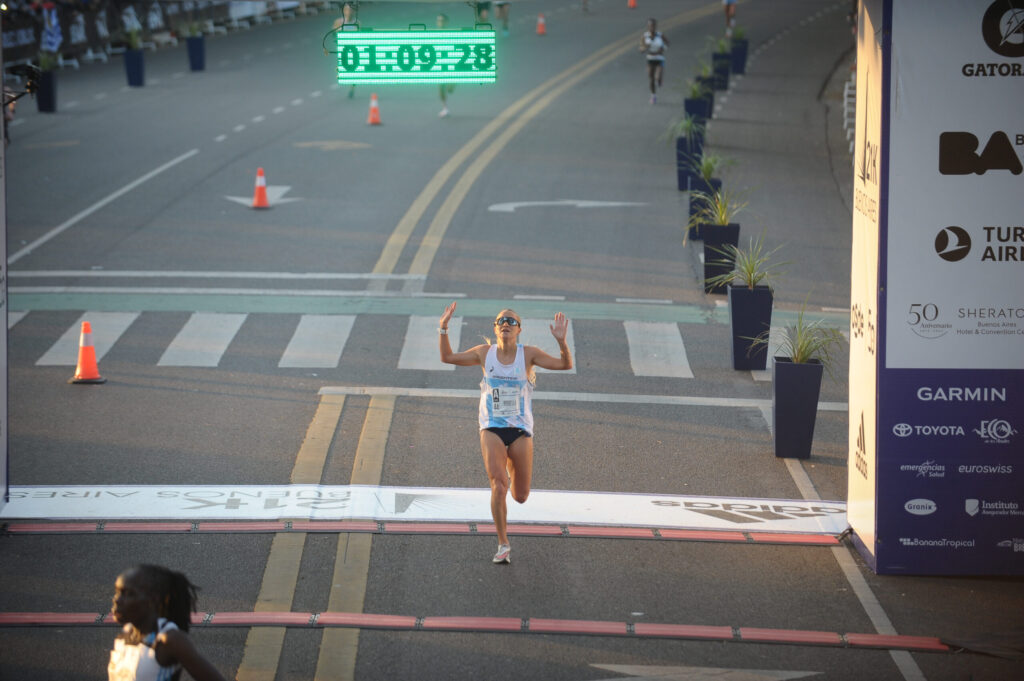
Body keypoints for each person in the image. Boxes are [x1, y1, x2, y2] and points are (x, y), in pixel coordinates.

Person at [438, 302, 573, 564]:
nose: (506, 324)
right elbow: (448, 358)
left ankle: (510, 465)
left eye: (511, 321)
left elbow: (565, 365)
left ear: (519, 329)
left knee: (520, 496)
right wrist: (443, 328)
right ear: (495, 328)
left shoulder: (529, 354)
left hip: (520, 430)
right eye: (501, 321)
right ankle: (503, 543)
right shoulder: (483, 353)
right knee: (498, 485)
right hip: (492, 427)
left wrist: (562, 342)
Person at [108, 564, 227, 681]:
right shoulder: (124, 635)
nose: (117, 600)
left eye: (129, 594)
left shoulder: (169, 640)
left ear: (153, 599)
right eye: (117, 592)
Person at [640, 18, 668, 104]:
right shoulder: (645, 36)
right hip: (650, 58)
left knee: (657, 77)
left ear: (655, 26)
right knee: (651, 78)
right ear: (648, 27)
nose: (651, 27)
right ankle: (653, 95)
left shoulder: (660, 35)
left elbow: (667, 44)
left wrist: (663, 48)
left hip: (659, 58)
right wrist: (645, 47)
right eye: (650, 26)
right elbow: (641, 49)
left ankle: (659, 80)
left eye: (653, 26)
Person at [334, 2, 358, 98]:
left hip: (354, 49)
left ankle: (352, 88)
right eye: (347, 10)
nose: (349, 12)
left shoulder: (357, 22)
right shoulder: (338, 22)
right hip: (343, 49)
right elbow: (334, 32)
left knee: (353, 69)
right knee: (345, 68)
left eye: (350, 10)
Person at [437, 13, 455, 117]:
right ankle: (445, 108)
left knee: (450, 89)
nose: (440, 23)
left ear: (446, 22)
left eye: (442, 21)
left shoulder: (451, 34)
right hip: (439, 65)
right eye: (439, 21)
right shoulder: (433, 35)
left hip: (450, 64)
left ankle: (454, 81)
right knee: (440, 89)